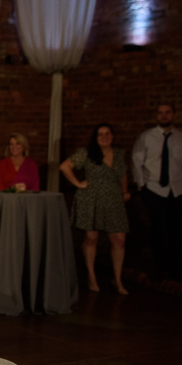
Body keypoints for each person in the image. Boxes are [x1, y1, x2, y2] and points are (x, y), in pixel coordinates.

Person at [60, 123, 131, 294]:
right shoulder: (86, 153)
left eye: (107, 133)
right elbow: (64, 166)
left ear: (112, 136)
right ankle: (91, 277)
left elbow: (122, 174)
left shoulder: (119, 154)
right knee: (91, 237)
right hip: (92, 198)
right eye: (100, 134)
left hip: (113, 199)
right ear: (95, 137)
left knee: (118, 239)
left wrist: (124, 192)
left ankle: (118, 279)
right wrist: (78, 183)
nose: (104, 137)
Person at [132, 103, 182, 279]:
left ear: (174, 115)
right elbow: (137, 161)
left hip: (177, 188)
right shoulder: (146, 137)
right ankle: (160, 265)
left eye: (167, 113)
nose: (164, 116)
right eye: (160, 113)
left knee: (178, 229)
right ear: (156, 116)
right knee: (158, 227)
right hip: (154, 188)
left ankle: (176, 267)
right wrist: (141, 185)